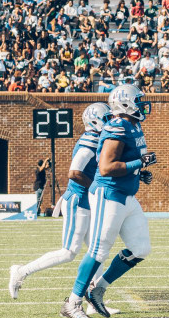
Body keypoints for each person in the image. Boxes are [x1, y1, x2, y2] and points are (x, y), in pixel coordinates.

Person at [62, 83, 154, 318]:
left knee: (140, 248)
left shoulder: (132, 124)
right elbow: (106, 167)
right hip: (109, 194)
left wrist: (138, 171)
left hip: (126, 195)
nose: (143, 104)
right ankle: (72, 303)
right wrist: (138, 164)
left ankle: (98, 289)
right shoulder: (117, 126)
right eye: (138, 100)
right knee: (98, 249)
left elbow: (129, 161)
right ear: (125, 103)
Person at [10, 103, 109, 298]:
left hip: (86, 200)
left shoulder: (99, 139)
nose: (110, 123)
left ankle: (94, 299)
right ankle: (21, 271)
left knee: (96, 252)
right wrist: (96, 188)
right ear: (95, 121)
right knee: (68, 252)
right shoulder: (90, 139)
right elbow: (74, 173)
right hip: (78, 199)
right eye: (106, 119)